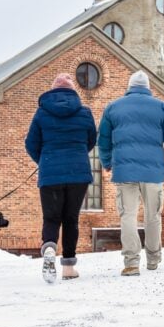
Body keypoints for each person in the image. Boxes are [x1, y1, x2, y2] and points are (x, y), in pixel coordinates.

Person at [98, 70, 164, 276]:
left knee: (127, 216)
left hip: (124, 172)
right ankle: (153, 259)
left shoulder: (113, 108)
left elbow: (103, 140)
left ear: (129, 87)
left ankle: (131, 263)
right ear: (147, 88)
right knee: (152, 216)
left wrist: (107, 162)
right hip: (153, 173)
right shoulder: (162, 108)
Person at [25, 73, 97, 283]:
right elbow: (91, 140)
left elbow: (31, 144)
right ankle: (68, 268)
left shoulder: (41, 113)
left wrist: (45, 161)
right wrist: (77, 154)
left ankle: (49, 247)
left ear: (53, 90)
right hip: (78, 173)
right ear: (72, 91)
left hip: (50, 175)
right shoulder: (85, 113)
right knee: (70, 219)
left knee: (51, 218)